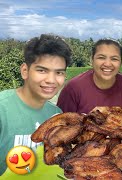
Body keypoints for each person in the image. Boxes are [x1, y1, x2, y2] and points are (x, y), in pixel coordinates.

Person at [0, 34, 71, 175]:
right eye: (42, 70)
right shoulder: (3, 110)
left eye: (59, 72)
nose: (51, 80)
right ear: (25, 71)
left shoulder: (56, 115)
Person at [57, 39, 122, 114]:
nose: (107, 64)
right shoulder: (73, 87)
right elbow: (60, 121)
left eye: (114, 59)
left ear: (121, 62)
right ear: (92, 60)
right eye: (101, 57)